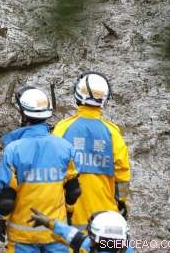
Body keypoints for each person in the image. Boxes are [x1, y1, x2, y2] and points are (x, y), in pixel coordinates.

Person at [0, 86, 81, 252]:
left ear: (24, 113)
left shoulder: (13, 150)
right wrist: (69, 214)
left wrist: (0, 221)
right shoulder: (65, 148)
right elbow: (73, 190)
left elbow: (6, 200)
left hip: (22, 237)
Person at [53, 72, 131, 229]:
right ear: (105, 99)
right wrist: (122, 201)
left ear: (77, 95)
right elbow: (122, 175)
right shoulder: (113, 133)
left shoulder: (62, 129)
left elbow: (52, 168)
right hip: (104, 219)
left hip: (68, 217)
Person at [29, 208, 134, 252]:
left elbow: (75, 237)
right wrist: (49, 223)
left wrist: (49, 223)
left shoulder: (90, 247)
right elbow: (74, 236)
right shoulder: (123, 248)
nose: (90, 240)